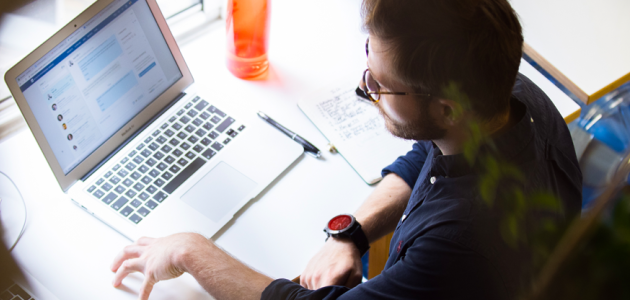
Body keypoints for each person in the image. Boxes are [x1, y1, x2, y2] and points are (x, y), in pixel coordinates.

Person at [110, 0, 582, 299]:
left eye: (381, 85)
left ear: (448, 108)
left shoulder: (458, 243)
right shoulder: (511, 94)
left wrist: (192, 250)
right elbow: (428, 155)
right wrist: (351, 234)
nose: (365, 87)